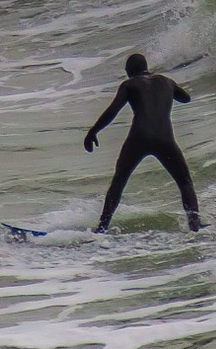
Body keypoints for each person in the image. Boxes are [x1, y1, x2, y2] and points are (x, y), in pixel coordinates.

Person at [84, 53, 201, 232]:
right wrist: (167, 90)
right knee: (184, 182)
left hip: (139, 137)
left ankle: (102, 227)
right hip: (165, 139)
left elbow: (112, 111)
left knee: (119, 181)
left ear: (129, 71)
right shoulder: (166, 81)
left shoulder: (129, 84)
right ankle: (194, 224)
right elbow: (186, 98)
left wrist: (93, 131)